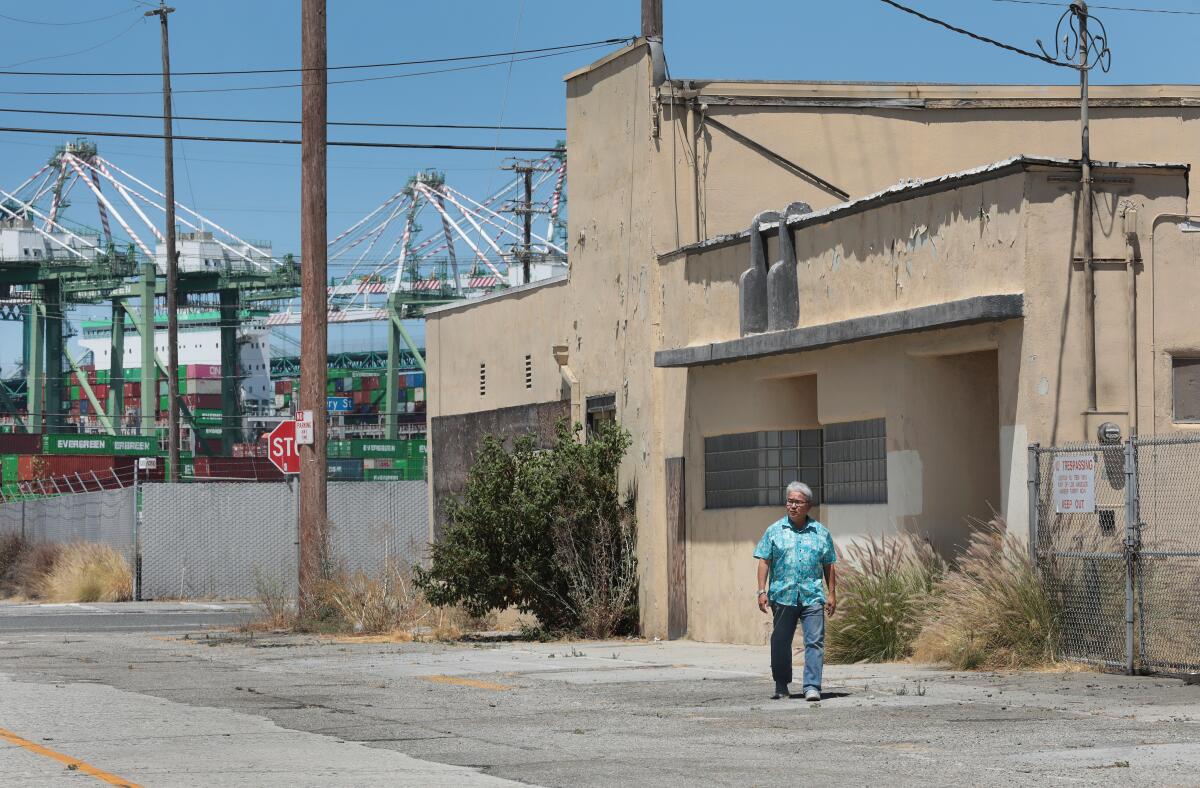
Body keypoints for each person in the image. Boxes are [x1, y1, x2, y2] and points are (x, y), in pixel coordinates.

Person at [754, 481, 837, 701]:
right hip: (783, 595)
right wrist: (761, 591)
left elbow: (829, 564)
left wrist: (831, 593)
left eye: (797, 502)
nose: (792, 506)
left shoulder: (821, 532)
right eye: (789, 501)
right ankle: (781, 684)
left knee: (815, 641)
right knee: (780, 641)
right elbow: (764, 560)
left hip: (812, 595)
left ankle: (812, 686)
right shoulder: (774, 531)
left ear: (808, 505)